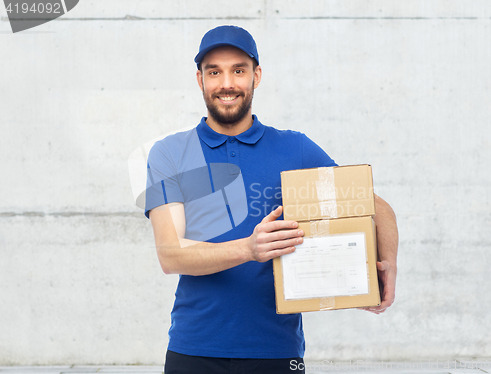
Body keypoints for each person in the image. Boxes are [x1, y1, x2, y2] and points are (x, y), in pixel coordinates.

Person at [145, 25, 398, 374]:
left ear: (256, 76)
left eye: (238, 70)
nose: (226, 83)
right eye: (214, 71)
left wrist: (385, 267)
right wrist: (248, 249)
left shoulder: (294, 149)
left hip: (276, 349)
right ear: (200, 80)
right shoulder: (170, 153)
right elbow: (170, 254)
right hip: (195, 347)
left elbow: (376, 208)